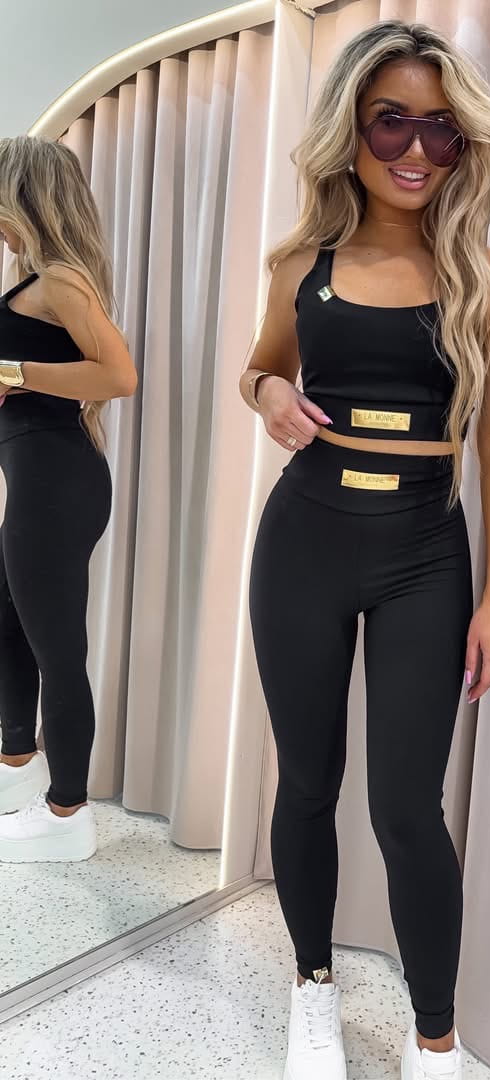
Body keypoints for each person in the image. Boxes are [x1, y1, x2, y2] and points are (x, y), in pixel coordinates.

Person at [240, 20, 490, 1080]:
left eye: (441, 129)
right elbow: (259, 368)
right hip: (304, 541)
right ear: (349, 131)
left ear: (465, 144)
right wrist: (269, 392)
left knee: (408, 808)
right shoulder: (301, 265)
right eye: (389, 121)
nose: (415, 149)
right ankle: (312, 989)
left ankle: (433, 1039)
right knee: (307, 783)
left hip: (424, 553)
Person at [0, 136, 137, 862]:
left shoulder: (60, 280)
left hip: (56, 483)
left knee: (57, 650)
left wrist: (13, 372)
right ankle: (16, 761)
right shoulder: (35, 278)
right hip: (40, 477)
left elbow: (118, 376)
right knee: (10, 624)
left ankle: (67, 815)